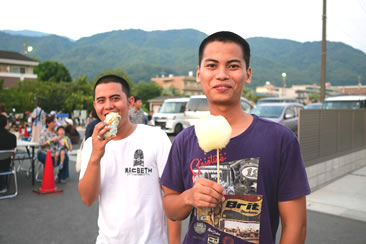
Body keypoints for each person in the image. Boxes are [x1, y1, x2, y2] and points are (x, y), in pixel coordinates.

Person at [160, 31, 310, 244]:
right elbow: (171, 208)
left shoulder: (280, 140)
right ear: (198, 73)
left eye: (233, 66)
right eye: (211, 65)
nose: (222, 75)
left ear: (247, 74)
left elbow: (296, 225)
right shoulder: (185, 140)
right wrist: (189, 197)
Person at [78, 74, 181, 244]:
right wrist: (96, 155)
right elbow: (88, 199)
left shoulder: (155, 137)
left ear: (130, 102)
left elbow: (172, 195)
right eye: (101, 100)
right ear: (95, 106)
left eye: (115, 98)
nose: (108, 106)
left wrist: (175, 242)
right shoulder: (91, 143)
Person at [38, 116, 70, 183]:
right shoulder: (44, 132)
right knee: (49, 160)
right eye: (53, 122)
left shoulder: (56, 132)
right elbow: (41, 144)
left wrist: (64, 144)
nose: (55, 124)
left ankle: (61, 177)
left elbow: (61, 143)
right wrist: (51, 141)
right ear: (48, 123)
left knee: (65, 157)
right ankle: (48, 179)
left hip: (55, 153)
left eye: (55, 122)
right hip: (44, 152)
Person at [0, 114, 17, 193]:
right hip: (6, 163)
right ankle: (4, 186)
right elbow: (13, 147)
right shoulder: (12, 137)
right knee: (4, 162)